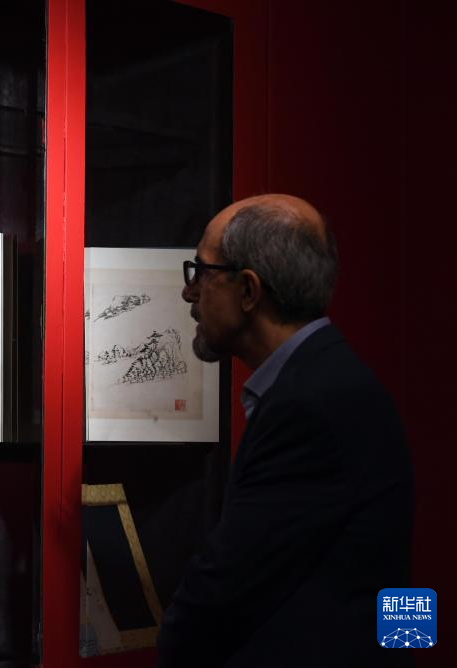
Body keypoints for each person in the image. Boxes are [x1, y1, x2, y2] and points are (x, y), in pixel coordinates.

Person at [156, 194, 413, 667]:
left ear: (248, 291)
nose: (190, 293)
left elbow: (225, 587)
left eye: (202, 272)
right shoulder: (331, 380)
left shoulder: (309, 404)